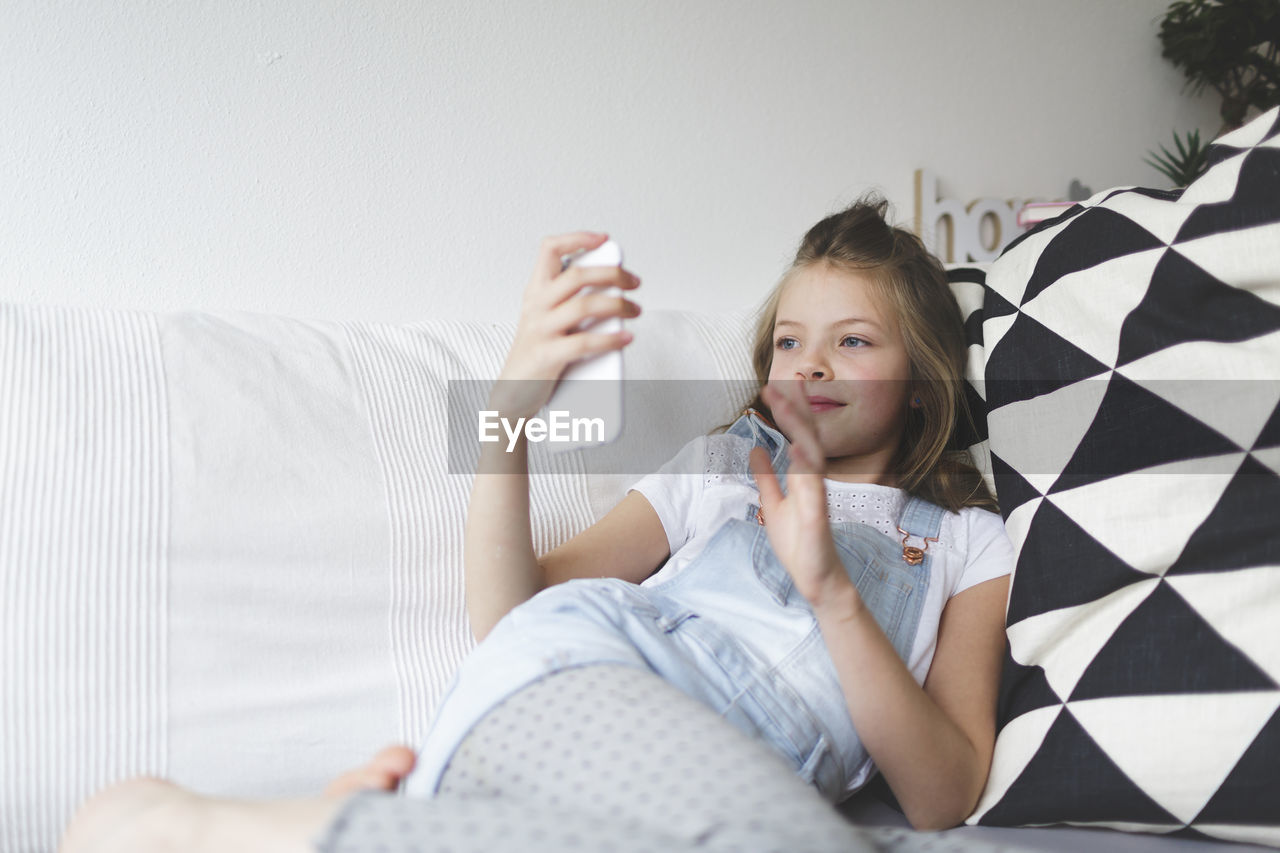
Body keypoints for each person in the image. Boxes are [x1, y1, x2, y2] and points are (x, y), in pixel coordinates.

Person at [59, 195, 1014, 853]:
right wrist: (511, 405)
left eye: (852, 342)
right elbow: (511, 613)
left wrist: (832, 592)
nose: (808, 367)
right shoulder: (721, 475)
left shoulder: (967, 543)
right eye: (789, 343)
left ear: (925, 382)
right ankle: (192, 831)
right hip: (594, 679)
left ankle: (381, 821)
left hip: (701, 792)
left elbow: (941, 797)